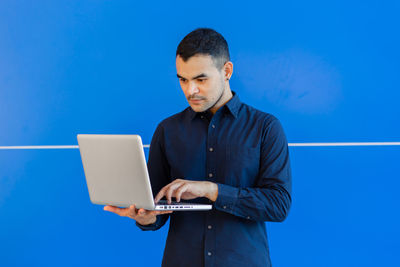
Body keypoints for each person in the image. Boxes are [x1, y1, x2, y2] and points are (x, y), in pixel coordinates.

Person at [104, 28, 292, 267]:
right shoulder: (167, 130)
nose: (190, 90)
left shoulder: (265, 127)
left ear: (227, 71)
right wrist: (146, 218)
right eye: (183, 79)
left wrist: (211, 190)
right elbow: (155, 206)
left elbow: (278, 205)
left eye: (200, 79)